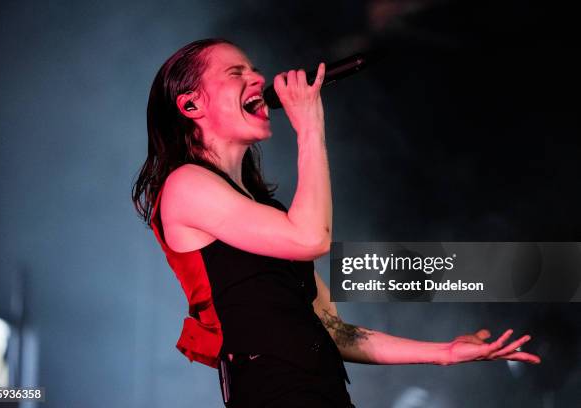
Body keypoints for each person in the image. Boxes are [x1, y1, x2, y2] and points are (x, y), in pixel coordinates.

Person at [132, 38, 541, 408]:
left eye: (253, 68)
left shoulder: (263, 211)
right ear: (190, 105)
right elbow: (312, 237)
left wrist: (444, 352)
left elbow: (334, 330)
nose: (258, 77)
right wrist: (310, 125)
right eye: (236, 73)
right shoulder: (185, 185)